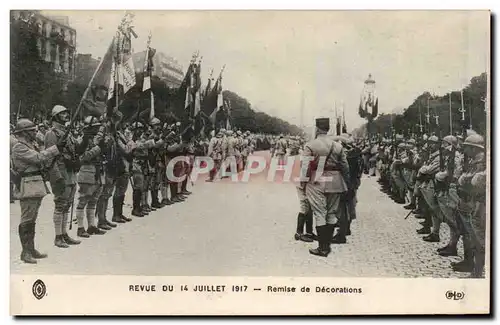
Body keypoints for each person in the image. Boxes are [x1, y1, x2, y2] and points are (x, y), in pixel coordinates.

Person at [11, 118, 61, 263]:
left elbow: (43, 159)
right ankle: (25, 252)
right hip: (27, 185)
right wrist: (55, 148)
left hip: (34, 184)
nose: (35, 132)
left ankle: (31, 249)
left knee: (32, 219)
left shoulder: (31, 144)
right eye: (32, 130)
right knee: (27, 219)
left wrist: (54, 152)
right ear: (24, 133)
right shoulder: (19, 147)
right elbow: (38, 158)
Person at [300, 118, 350, 257]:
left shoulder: (310, 145)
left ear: (317, 128)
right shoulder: (338, 146)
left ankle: (322, 248)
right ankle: (327, 246)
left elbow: (305, 168)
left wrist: (303, 183)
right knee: (332, 213)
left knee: (320, 213)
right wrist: (346, 183)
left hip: (317, 180)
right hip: (335, 180)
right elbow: (345, 167)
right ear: (328, 129)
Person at [44, 105, 81, 248]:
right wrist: (57, 177)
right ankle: (58, 237)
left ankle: (64, 233)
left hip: (70, 172)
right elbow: (49, 157)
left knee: (67, 204)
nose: (66, 115)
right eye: (62, 113)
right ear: (56, 116)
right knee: (60, 204)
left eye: (66, 113)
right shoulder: (51, 134)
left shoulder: (67, 132)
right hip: (60, 172)